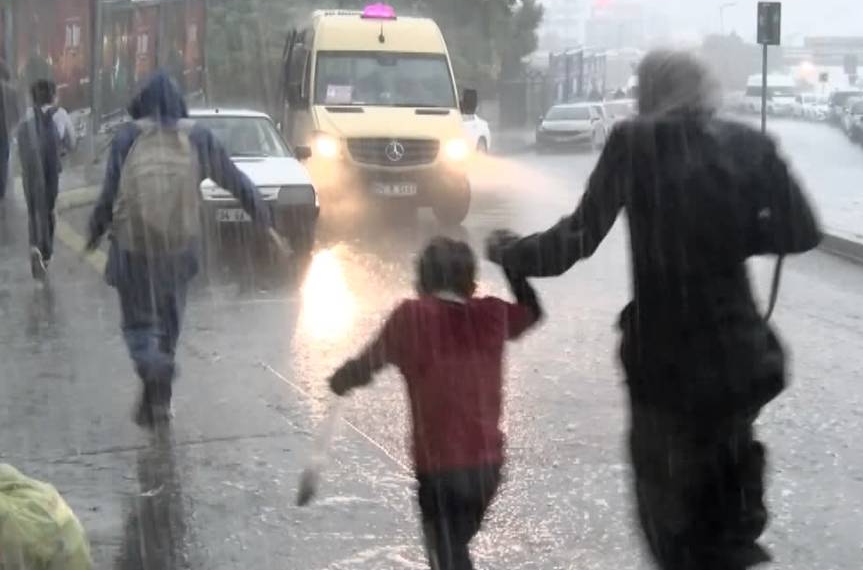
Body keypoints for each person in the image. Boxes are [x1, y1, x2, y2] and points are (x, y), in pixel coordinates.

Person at [486, 49, 821, 570]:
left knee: (672, 523)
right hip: (740, 361)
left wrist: (510, 252)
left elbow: (575, 240)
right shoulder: (751, 144)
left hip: (668, 366)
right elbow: (801, 231)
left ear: (648, 92)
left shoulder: (635, 142)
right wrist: (731, 233)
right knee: (728, 513)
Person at [327, 237, 542, 570]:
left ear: (421, 282)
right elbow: (533, 312)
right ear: (471, 284)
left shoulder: (410, 318)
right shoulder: (492, 314)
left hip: (438, 470)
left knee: (445, 553)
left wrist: (343, 379)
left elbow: (367, 364)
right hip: (486, 469)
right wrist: (510, 264)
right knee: (454, 545)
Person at [86, 71, 284, 428]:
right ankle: (158, 401)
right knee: (169, 325)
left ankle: (155, 370)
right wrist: (264, 220)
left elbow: (108, 194)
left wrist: (94, 231)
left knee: (138, 327)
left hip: (134, 248)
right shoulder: (198, 137)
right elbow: (235, 179)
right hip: (178, 249)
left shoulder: (128, 137)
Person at [16, 79, 75, 279]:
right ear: (53, 95)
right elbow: (71, 142)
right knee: (49, 211)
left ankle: (34, 246)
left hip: (30, 174)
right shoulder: (61, 115)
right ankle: (46, 254)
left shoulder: (27, 116)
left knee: (34, 211)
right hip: (50, 173)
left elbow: (20, 145)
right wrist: (62, 151)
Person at [0, 61, 21, 201]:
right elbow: (17, 114)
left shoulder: (10, 91)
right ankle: (1, 190)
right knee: (3, 161)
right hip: (4, 133)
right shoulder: (12, 91)